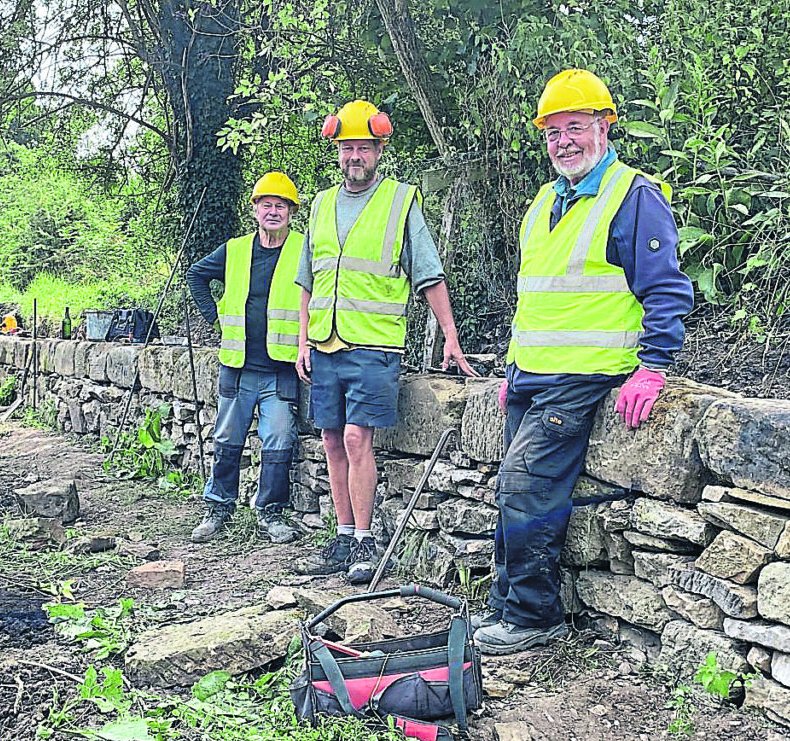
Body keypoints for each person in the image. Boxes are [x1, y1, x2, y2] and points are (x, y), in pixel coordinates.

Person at [473, 70, 695, 654]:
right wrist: (513, 365)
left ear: (603, 127)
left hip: (582, 377)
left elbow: (666, 289)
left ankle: (530, 616)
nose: (563, 141)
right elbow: (535, 295)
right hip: (530, 377)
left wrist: (652, 367)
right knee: (514, 486)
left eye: (575, 127)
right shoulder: (546, 199)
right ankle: (505, 605)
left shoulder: (632, 196)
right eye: (553, 131)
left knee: (524, 484)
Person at [293, 99, 478, 585]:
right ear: (338, 151)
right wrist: (302, 342)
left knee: (357, 438)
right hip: (325, 343)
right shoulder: (321, 204)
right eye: (347, 147)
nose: (355, 156)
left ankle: (366, 540)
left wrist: (451, 336)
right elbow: (307, 280)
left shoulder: (400, 201)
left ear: (379, 150)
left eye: (364, 148)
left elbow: (429, 274)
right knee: (331, 439)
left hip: (374, 346)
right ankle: (342, 535)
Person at [185, 172, 305, 545]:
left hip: (283, 367)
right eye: (266, 205)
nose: (273, 211)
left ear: (291, 212)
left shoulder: (306, 249)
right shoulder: (235, 250)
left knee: (279, 440)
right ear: (254, 209)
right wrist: (213, 315)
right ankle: (218, 507)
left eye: (280, 206)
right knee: (227, 437)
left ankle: (271, 514)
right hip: (237, 366)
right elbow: (196, 276)